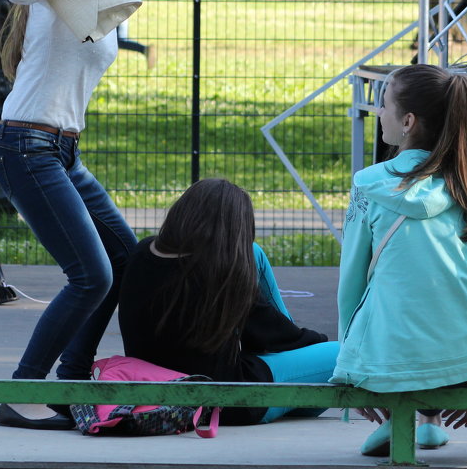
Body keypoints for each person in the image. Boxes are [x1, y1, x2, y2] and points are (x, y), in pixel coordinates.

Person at [0, 0, 169, 430]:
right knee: (90, 275)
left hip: (63, 152)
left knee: (123, 259)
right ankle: (23, 392)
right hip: (25, 146)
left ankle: (71, 381)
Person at [333, 65, 467, 457]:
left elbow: (352, 283)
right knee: (439, 310)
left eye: (384, 104)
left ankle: (399, 418)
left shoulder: (369, 184)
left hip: (388, 358)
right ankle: (428, 422)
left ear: (408, 121)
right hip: (465, 356)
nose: (378, 113)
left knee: (389, 314)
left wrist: (349, 367)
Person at [118, 178, 338, 426]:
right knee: (343, 355)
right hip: (225, 397)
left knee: (252, 251)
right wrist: (315, 342)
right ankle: (291, 393)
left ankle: (292, 391)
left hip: (153, 380)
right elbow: (272, 336)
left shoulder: (143, 251)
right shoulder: (221, 272)